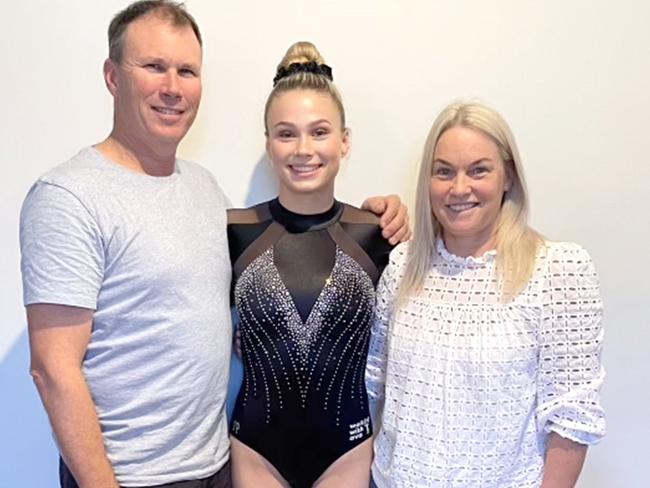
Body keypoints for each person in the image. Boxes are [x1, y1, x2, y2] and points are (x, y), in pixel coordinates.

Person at [18, 2, 409, 487]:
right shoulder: (70, 196)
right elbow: (53, 370)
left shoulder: (205, 193)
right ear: (113, 75)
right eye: (154, 66)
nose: (172, 86)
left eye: (186, 70)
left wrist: (387, 213)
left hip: (216, 465)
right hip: (128, 476)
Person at [366, 101, 606, 488]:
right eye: (444, 172)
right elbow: (365, 382)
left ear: (508, 176)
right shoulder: (402, 267)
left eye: (478, 170)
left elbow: (572, 419)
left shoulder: (557, 270)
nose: (459, 188)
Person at [226, 42, 392, 488]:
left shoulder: (379, 234)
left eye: (319, 132)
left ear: (345, 140)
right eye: (286, 133)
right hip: (256, 451)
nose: (304, 149)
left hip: (348, 451)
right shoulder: (232, 232)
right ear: (268, 144)